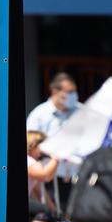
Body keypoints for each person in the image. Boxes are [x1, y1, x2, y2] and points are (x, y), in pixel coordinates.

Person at [26, 72, 82, 204]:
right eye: (69, 92)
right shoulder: (39, 115)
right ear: (55, 92)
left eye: (74, 91)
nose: (73, 95)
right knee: (54, 216)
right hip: (52, 177)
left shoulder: (82, 111)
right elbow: (30, 143)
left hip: (78, 176)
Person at [26, 131, 60, 222]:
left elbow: (39, 191)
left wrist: (55, 212)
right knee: (43, 211)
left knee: (43, 212)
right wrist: (56, 158)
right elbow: (45, 175)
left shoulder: (32, 162)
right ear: (33, 144)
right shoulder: (28, 160)